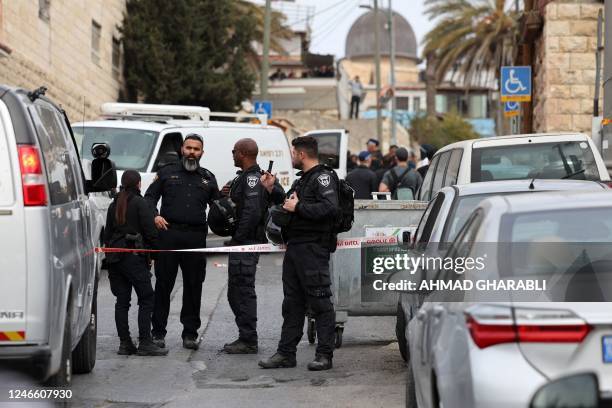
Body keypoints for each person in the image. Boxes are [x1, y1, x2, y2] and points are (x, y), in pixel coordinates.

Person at [259, 136, 339, 371]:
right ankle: (286, 354)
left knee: (320, 302)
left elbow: (330, 208)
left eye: (293, 153)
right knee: (292, 303)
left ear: (302, 154)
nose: (292, 157)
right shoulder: (304, 180)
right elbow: (288, 204)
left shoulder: (323, 177)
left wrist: (300, 208)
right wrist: (273, 189)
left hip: (313, 248)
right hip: (296, 247)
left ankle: (324, 355)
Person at [145, 134, 220, 350]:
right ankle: (158, 333)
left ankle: (190, 334)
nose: (192, 152)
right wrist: (154, 215)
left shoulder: (208, 178)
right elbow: (149, 198)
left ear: (202, 153)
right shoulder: (166, 173)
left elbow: (219, 208)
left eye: (196, 149)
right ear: (182, 149)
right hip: (169, 235)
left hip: (195, 237)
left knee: (193, 286)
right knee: (163, 286)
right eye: (189, 148)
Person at [222, 138, 285, 354]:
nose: (232, 155)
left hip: (246, 244)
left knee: (242, 290)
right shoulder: (248, 178)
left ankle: (248, 340)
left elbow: (251, 212)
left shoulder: (251, 179)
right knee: (235, 291)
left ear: (242, 153)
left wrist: (237, 239)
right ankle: (246, 336)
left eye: (233, 151)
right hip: (244, 242)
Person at [104, 170, 168, 356]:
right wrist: (155, 254)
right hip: (133, 258)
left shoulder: (113, 203)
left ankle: (125, 344)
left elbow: (107, 234)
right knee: (147, 298)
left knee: (122, 301)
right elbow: (150, 232)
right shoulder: (139, 203)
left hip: (115, 258)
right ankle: (145, 342)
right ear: (139, 184)